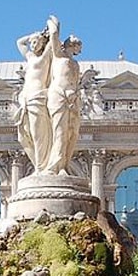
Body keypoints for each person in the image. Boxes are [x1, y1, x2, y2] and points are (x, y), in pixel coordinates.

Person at [46, 15, 82, 175]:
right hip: (58, 96)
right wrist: (55, 25)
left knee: (71, 134)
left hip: (73, 100)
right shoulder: (58, 56)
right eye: (78, 45)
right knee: (59, 131)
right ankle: (56, 166)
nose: (79, 49)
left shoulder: (75, 63)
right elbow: (53, 36)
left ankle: (64, 164)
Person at [14, 22, 53, 171]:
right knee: (23, 137)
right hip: (26, 99)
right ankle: (39, 165)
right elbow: (19, 42)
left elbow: (53, 39)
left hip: (37, 97)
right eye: (32, 43)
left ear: (43, 43)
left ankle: (42, 167)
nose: (33, 44)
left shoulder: (45, 57)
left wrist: (47, 34)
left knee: (38, 135)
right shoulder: (30, 57)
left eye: (36, 42)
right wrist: (34, 35)